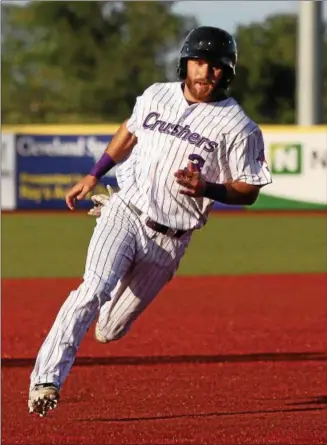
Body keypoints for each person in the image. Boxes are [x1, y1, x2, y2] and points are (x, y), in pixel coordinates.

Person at [28, 26, 272, 417]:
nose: (205, 72)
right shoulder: (157, 94)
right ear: (186, 63)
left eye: (215, 66)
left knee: (108, 330)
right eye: (199, 62)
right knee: (92, 289)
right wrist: (95, 173)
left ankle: (95, 329)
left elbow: (249, 189)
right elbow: (129, 130)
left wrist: (208, 188)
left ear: (227, 72)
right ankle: (46, 380)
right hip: (126, 211)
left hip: (171, 240)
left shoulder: (239, 128)